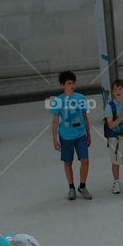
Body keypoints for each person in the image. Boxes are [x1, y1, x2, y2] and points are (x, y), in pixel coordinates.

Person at [49, 70, 92, 200]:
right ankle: (71, 187)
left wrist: (88, 133)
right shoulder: (58, 100)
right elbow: (55, 120)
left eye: (73, 83)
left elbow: (85, 116)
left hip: (80, 134)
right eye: (68, 83)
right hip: (65, 136)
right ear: (63, 85)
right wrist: (54, 138)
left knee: (85, 160)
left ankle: (82, 186)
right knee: (68, 162)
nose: (71, 86)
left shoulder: (80, 98)